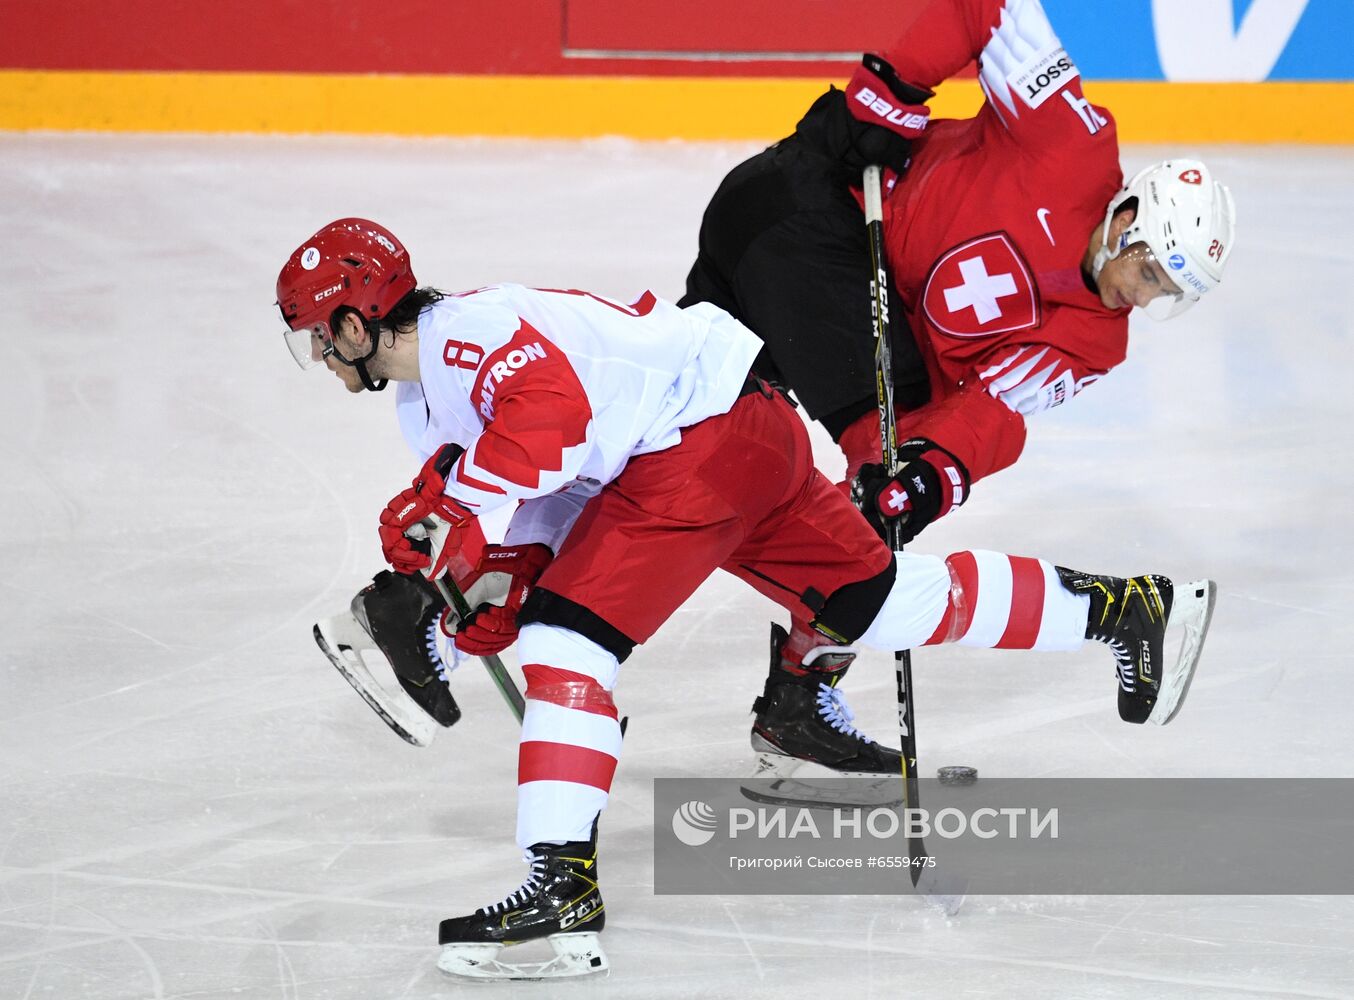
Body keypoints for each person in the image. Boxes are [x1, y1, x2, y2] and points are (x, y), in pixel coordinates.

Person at [275, 217, 1215, 980]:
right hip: (740, 425)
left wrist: (449, 547)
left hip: (697, 447)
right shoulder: (424, 401)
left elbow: (550, 429)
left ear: (355, 326)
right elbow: (545, 496)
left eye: (319, 338)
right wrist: (490, 583)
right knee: (879, 601)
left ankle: (559, 894)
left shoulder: (466, 337)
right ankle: (1123, 608)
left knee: (568, 649)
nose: (318, 358)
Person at [678, 0, 1236, 779]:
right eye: (1148, 272)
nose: (1143, 298)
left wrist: (933, 473)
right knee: (871, 483)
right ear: (1129, 217)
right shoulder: (1072, 143)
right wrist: (893, 88)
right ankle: (798, 693)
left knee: (685, 432)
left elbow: (994, 407)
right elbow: (990, 9)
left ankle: (492, 568)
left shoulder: (1093, 339)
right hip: (806, 208)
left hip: (805, 278)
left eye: (1165, 294)